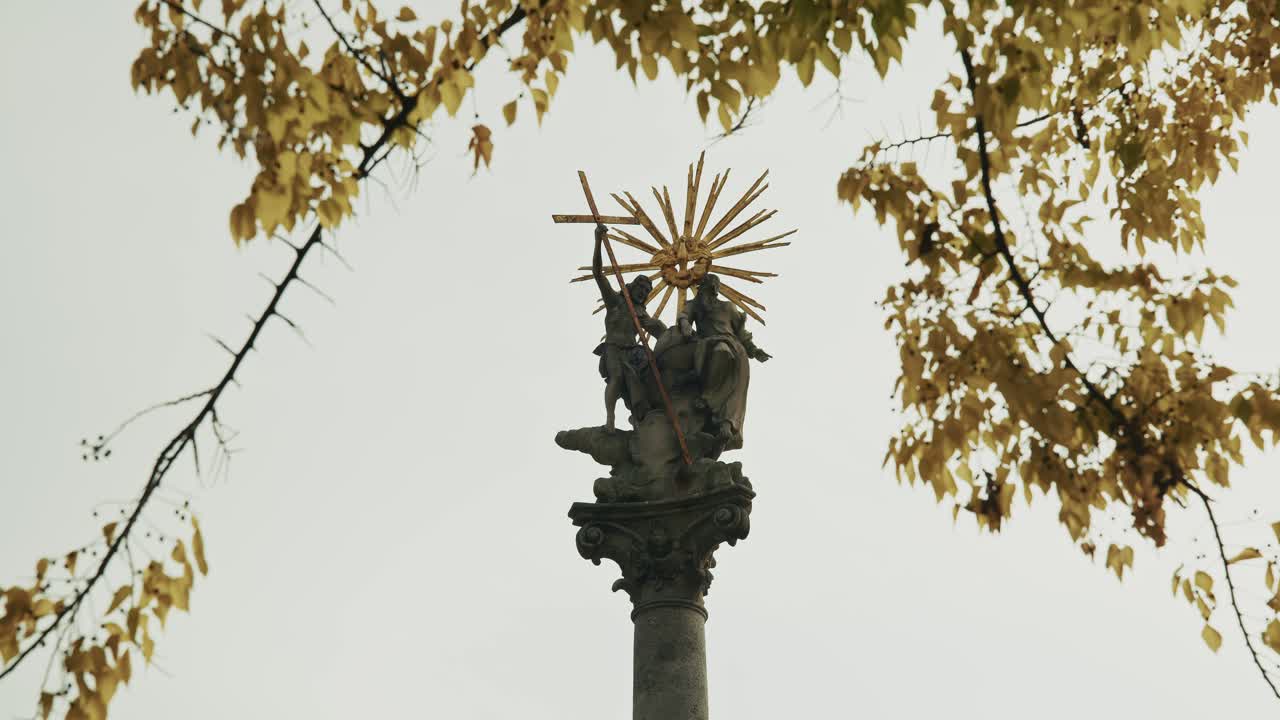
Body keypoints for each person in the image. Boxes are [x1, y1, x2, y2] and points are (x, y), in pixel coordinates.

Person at [592, 224, 666, 430]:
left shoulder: (640, 312)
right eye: (640, 288)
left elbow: (657, 329)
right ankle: (610, 419)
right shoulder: (616, 302)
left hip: (634, 351)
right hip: (614, 348)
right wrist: (598, 241)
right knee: (616, 378)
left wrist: (675, 337)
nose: (643, 292)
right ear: (632, 286)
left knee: (654, 369)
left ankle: (645, 412)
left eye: (646, 291)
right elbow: (598, 273)